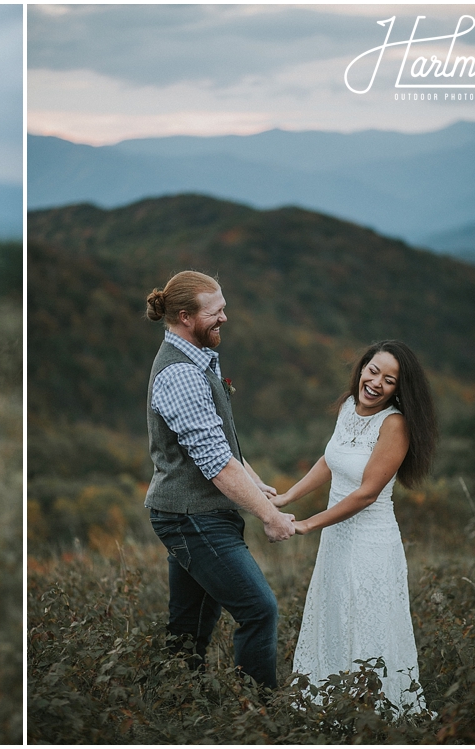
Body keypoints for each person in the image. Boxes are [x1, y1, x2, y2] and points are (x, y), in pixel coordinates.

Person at [143, 270, 295, 691]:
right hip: (190, 516)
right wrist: (269, 516)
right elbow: (215, 463)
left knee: (190, 626)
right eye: (217, 311)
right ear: (186, 317)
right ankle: (259, 716)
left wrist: (256, 484)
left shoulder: (198, 358)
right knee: (259, 610)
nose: (225, 318)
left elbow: (220, 444)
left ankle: (174, 703)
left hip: (197, 512)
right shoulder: (181, 374)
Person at [274, 340, 437, 714]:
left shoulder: (394, 424)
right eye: (373, 370)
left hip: (370, 544)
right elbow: (331, 460)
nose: (376, 382)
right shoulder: (348, 406)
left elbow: (366, 494)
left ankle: (371, 715)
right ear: (362, 368)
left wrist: (308, 524)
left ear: (399, 389)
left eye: (390, 380)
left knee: (366, 623)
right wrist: (287, 498)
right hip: (337, 539)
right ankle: (329, 706)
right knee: (333, 615)